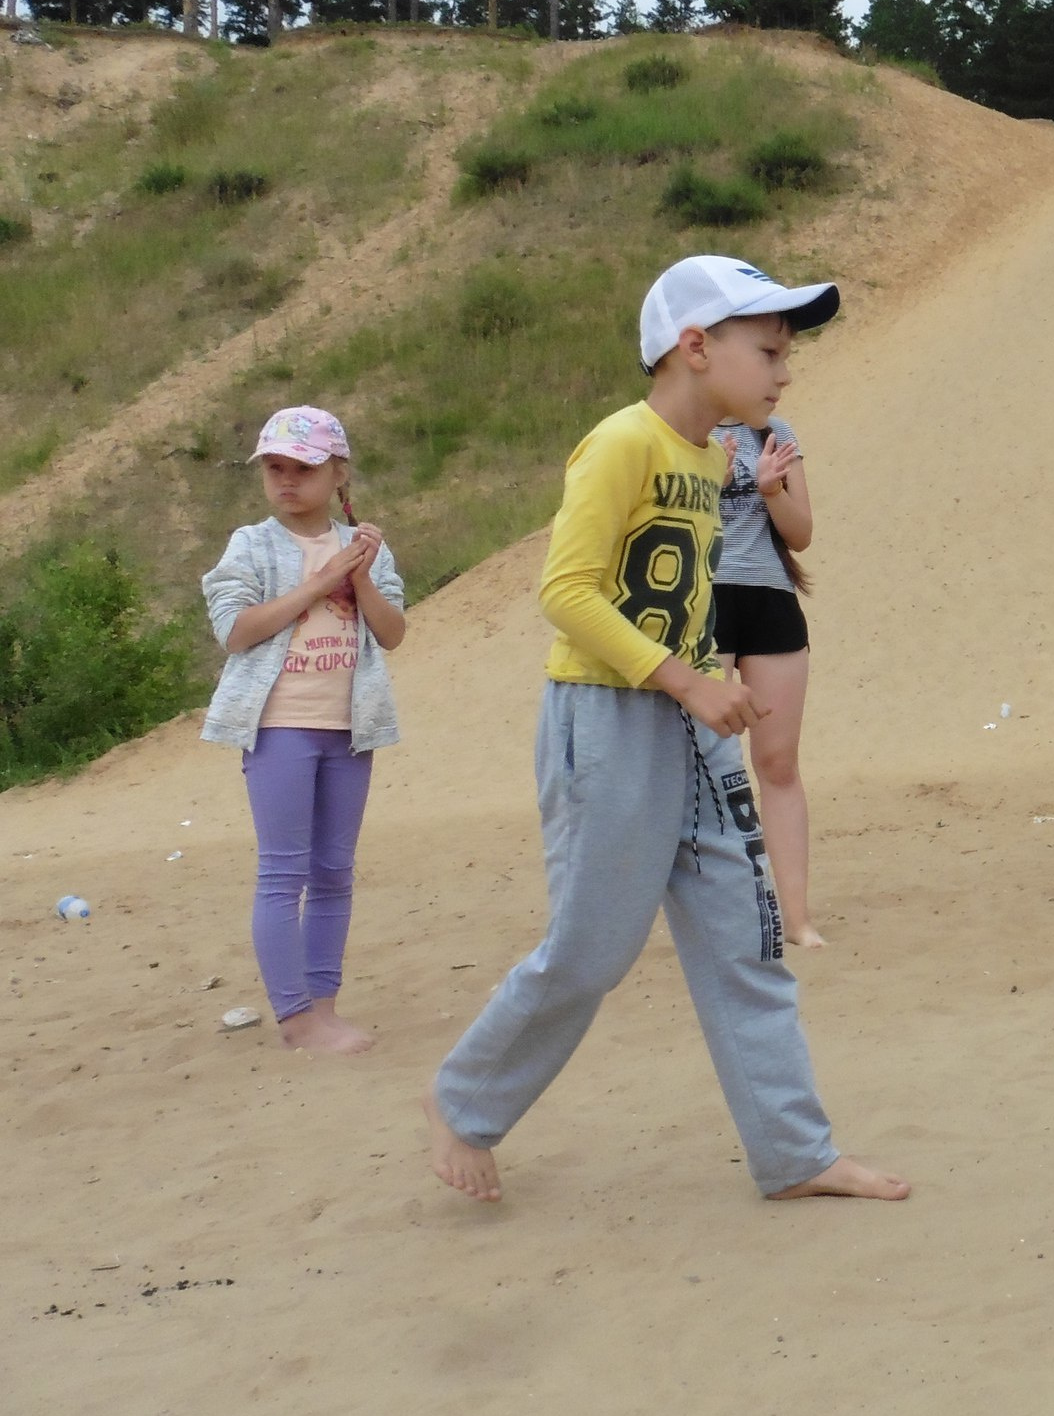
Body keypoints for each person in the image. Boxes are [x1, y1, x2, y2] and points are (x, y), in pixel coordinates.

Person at [425, 255, 906, 1206]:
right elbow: (564, 591)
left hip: (690, 727)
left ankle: (794, 1153)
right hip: (608, 724)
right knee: (592, 950)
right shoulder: (622, 443)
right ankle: (465, 1103)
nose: (784, 372)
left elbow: (675, 590)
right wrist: (688, 680)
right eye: (768, 350)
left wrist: (699, 677)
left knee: (748, 940)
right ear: (695, 347)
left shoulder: (709, 457)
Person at [200, 406, 405, 1055]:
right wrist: (318, 584)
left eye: (304, 468)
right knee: (283, 872)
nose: (287, 481)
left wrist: (362, 576)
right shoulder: (250, 544)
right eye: (275, 468)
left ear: (337, 472)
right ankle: (294, 1018)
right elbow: (235, 631)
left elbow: (393, 633)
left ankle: (324, 1008)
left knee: (335, 871)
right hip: (279, 725)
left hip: (350, 727)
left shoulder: (366, 547)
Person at [711, 410, 823, 947]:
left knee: (778, 763)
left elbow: (800, 534)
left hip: (770, 599)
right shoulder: (677, 427)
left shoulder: (777, 433)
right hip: (701, 599)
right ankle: (717, 913)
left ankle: (796, 919)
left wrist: (771, 488)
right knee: (705, 763)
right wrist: (708, 485)